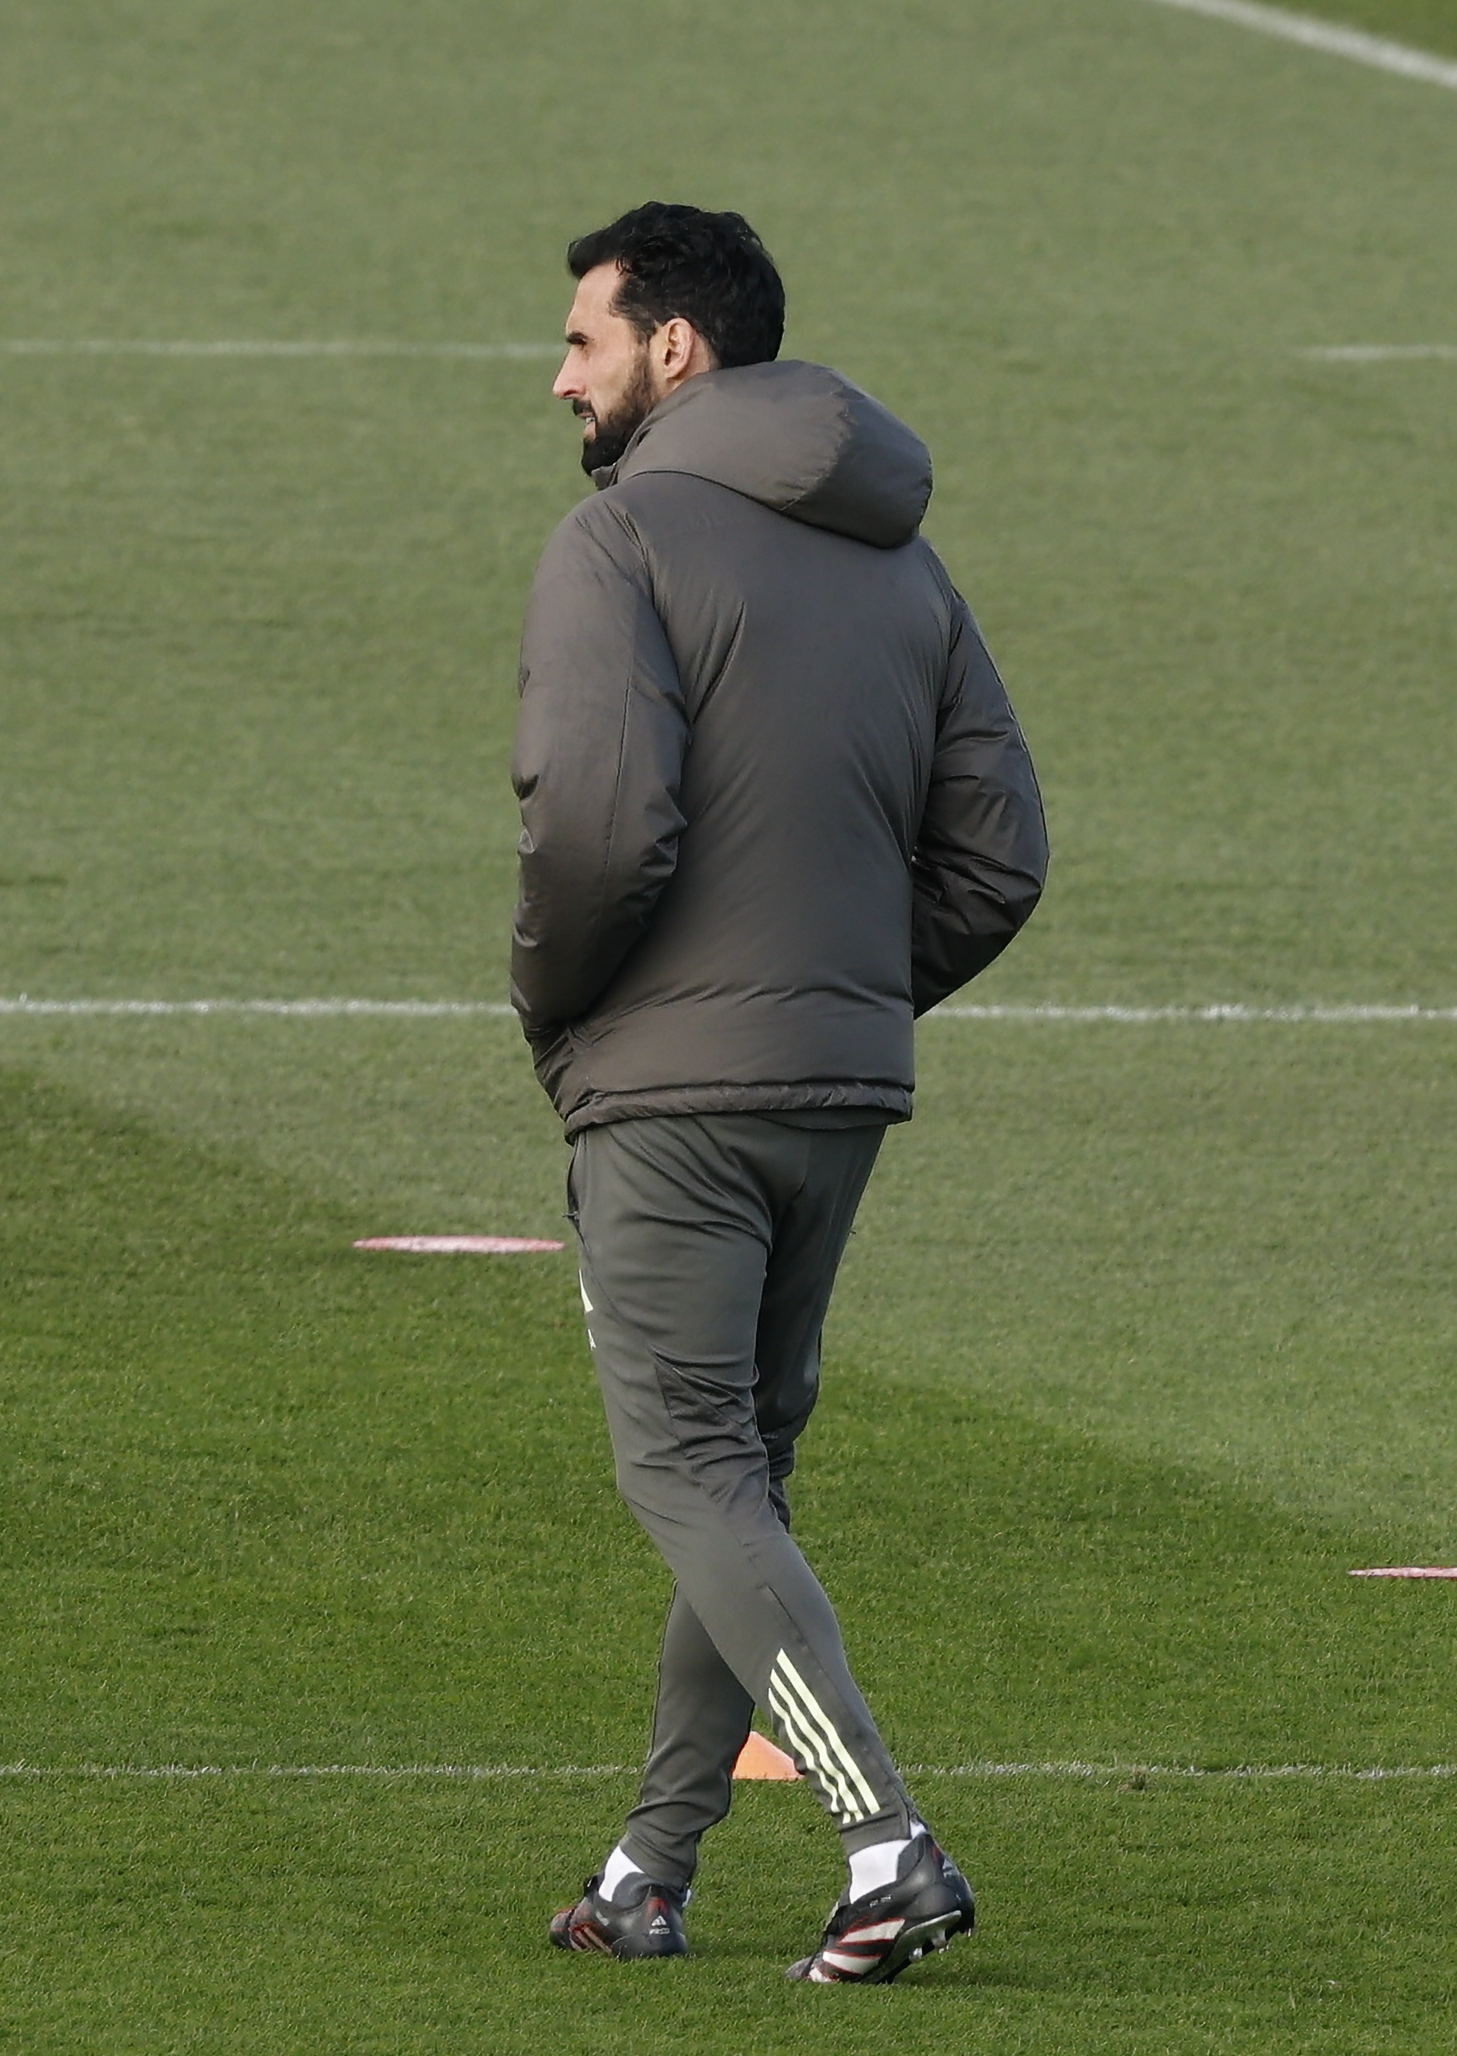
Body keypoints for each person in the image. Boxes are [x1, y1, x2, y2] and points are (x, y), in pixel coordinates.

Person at [516, 202, 1047, 1984]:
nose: (559, 375)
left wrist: (559, 1007)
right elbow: (1000, 856)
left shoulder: (620, 539)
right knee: (735, 1479)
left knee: (688, 1471)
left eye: (583, 338)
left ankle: (886, 1842)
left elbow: (596, 827)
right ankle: (649, 1869)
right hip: (835, 1093)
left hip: (671, 1092)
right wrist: (840, 997)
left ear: (675, 348)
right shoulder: (906, 561)